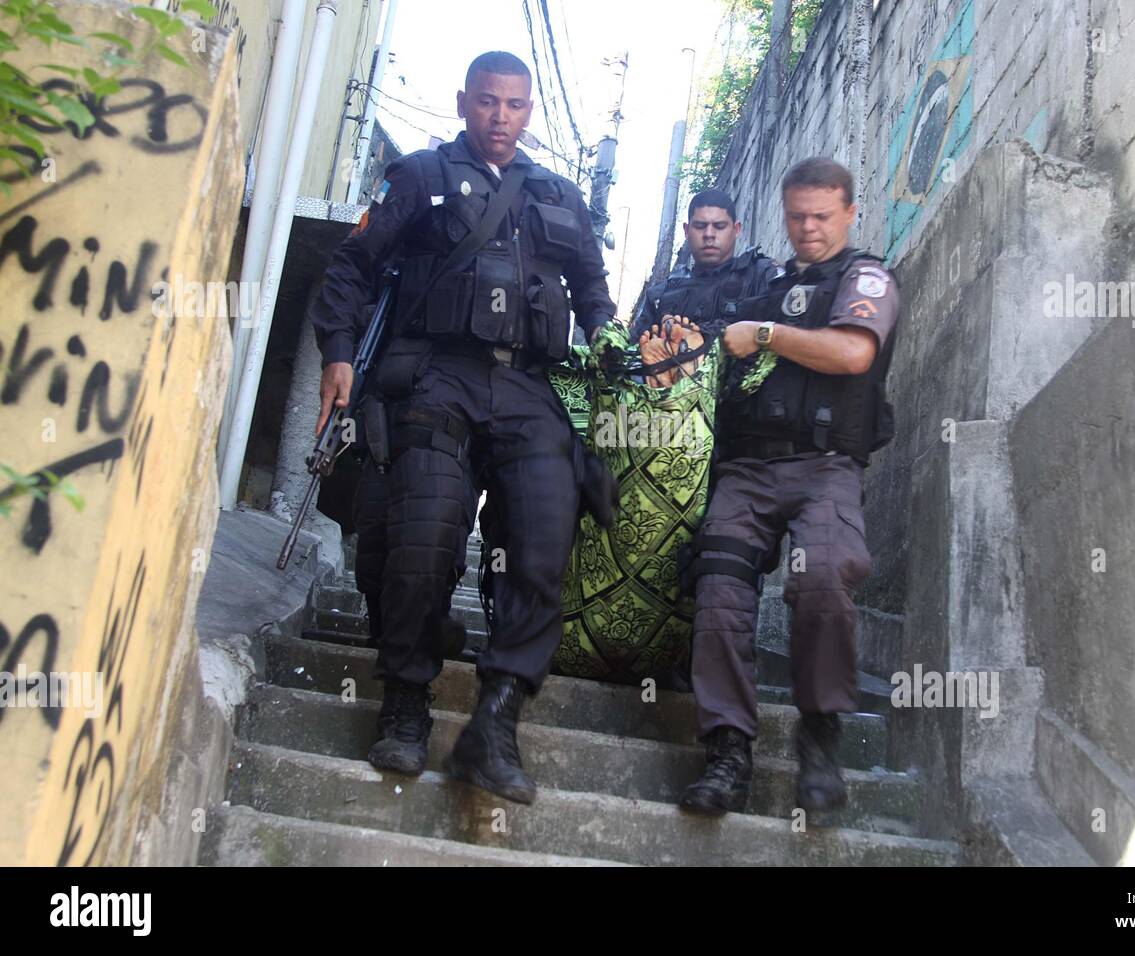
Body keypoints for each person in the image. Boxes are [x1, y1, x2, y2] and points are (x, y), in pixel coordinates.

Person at [309, 50, 618, 804]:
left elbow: (596, 297)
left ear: (530, 109)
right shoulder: (419, 177)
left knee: (545, 540)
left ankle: (498, 718)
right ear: (463, 101)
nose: (500, 117)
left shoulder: (560, 195)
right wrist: (339, 354)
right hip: (437, 377)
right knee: (425, 533)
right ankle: (407, 703)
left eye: (514, 104)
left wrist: (618, 352)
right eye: (487, 102)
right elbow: (351, 267)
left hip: (530, 389)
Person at [676, 157, 901, 817]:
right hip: (745, 470)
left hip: (824, 466)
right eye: (797, 216)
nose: (808, 229)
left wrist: (767, 337)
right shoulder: (763, 291)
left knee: (826, 575)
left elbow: (854, 352)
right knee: (717, 590)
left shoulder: (867, 277)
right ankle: (726, 752)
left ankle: (821, 736)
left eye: (822, 217)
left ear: (850, 213)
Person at [633, 188, 780, 385]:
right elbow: (634, 354)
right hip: (676, 411)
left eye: (719, 226)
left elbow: (789, 333)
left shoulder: (761, 276)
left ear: (736, 229)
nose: (709, 234)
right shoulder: (661, 295)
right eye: (700, 226)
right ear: (686, 231)